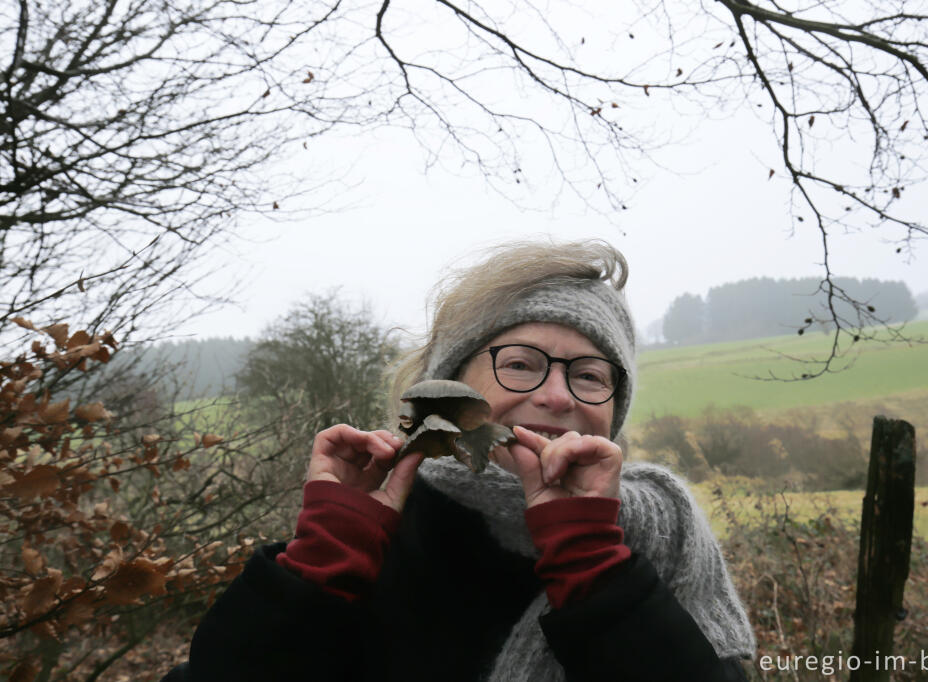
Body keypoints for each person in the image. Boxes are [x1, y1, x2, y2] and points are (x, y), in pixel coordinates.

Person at [163, 239, 755, 681]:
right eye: (521, 363)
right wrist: (321, 564)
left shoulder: (657, 535)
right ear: (452, 388)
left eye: (590, 374)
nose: (557, 396)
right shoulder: (377, 524)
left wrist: (593, 567)